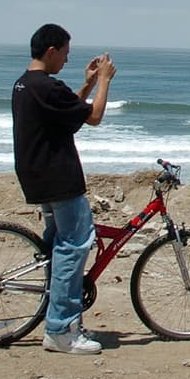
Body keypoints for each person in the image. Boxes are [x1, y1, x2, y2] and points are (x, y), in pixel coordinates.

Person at [12, 23, 116, 355]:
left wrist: (86, 84)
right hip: (59, 178)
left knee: (59, 248)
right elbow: (95, 117)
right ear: (51, 51)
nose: (67, 62)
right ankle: (61, 330)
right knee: (74, 247)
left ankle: (57, 317)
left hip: (38, 176)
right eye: (66, 55)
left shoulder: (26, 84)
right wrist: (103, 82)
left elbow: (69, 113)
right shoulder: (46, 85)